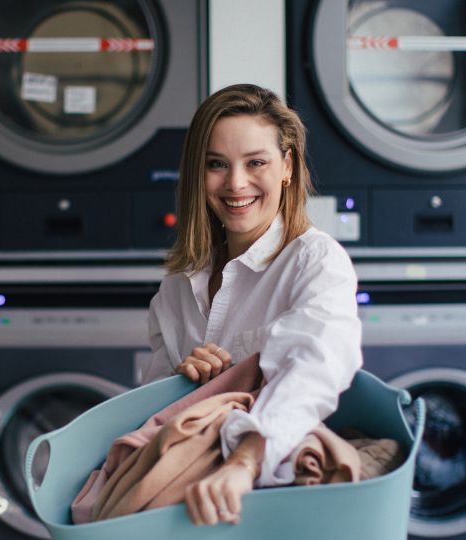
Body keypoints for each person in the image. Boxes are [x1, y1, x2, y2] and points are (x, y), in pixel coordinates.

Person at [141, 84, 362, 526]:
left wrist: (243, 464)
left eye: (255, 162)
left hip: (270, 498)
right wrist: (188, 382)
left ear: (287, 166)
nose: (236, 183)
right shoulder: (178, 285)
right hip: (184, 500)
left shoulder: (314, 261)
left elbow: (313, 370)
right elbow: (149, 407)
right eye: (216, 165)